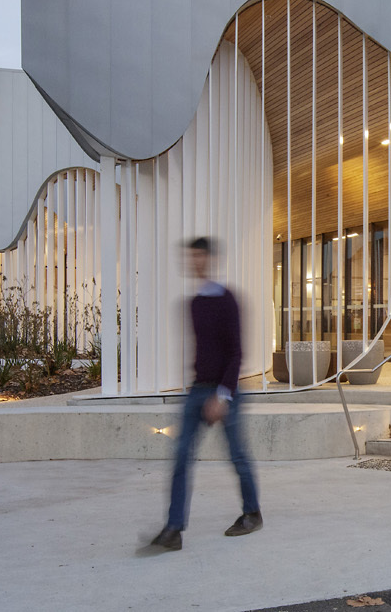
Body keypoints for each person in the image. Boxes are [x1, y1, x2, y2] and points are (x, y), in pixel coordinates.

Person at [142, 237, 262, 553]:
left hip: (225, 393)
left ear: (210, 259)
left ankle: (252, 513)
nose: (193, 262)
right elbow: (203, 351)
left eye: (198, 256)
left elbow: (235, 353)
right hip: (198, 390)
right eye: (189, 257)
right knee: (181, 456)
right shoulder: (193, 303)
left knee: (238, 456)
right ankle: (174, 529)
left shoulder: (227, 299)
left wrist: (221, 396)